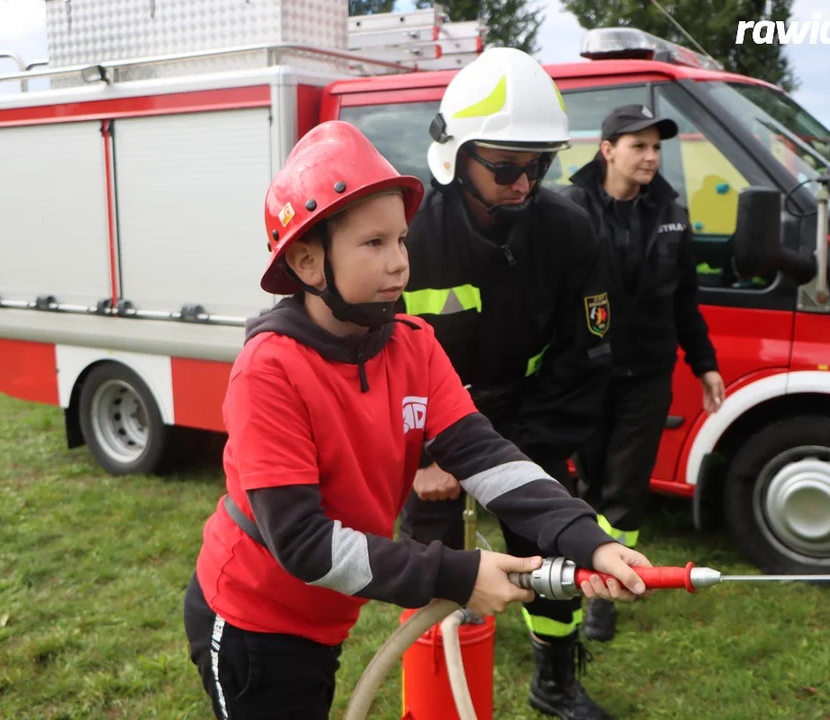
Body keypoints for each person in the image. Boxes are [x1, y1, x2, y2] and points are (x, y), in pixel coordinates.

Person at [181, 120, 654, 720]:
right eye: (374, 244)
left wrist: (587, 537)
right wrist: (455, 574)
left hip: (321, 619)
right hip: (251, 621)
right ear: (306, 260)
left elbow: (486, 455)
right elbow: (303, 543)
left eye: (402, 240)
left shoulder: (412, 343)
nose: (401, 263)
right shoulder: (269, 371)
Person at [396, 48, 618, 720]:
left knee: (552, 556)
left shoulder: (572, 231)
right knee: (432, 567)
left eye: (538, 166)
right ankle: (435, 686)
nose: (525, 185)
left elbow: (587, 357)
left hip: (529, 422)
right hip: (432, 437)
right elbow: (380, 358)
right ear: (457, 156)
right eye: (507, 167)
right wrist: (426, 453)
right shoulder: (406, 237)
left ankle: (554, 680)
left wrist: (522, 455)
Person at [561, 104, 727, 643]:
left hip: (648, 373)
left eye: (657, 147)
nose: (652, 157)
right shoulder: (569, 206)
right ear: (607, 149)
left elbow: (685, 299)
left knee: (626, 485)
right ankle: (584, 574)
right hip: (586, 371)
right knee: (589, 479)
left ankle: (608, 588)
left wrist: (704, 364)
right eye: (639, 146)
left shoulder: (671, 211)